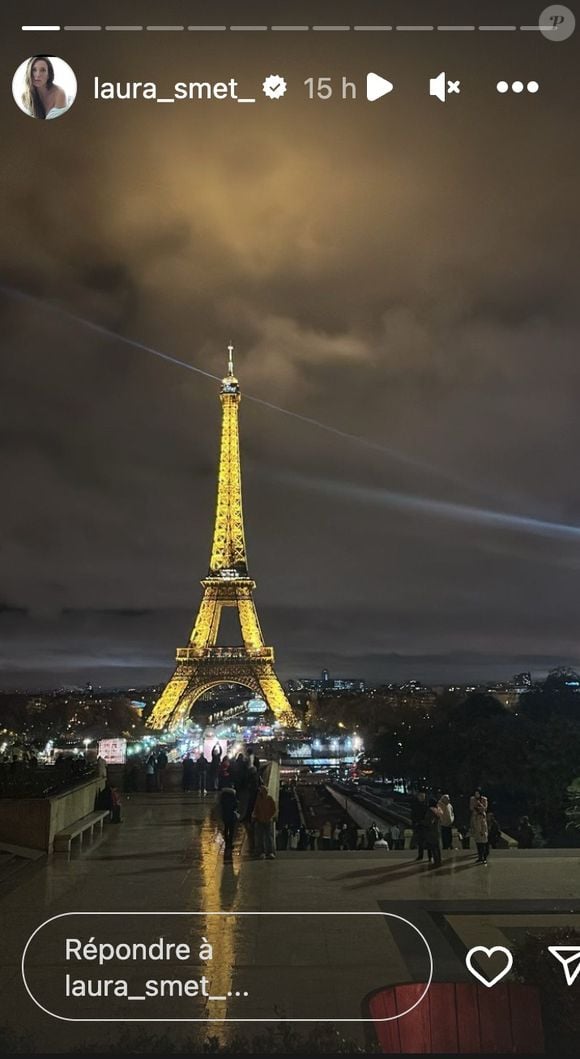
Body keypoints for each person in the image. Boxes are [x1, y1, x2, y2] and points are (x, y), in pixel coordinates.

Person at [252, 781, 277, 859]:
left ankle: (264, 852)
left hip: (264, 820)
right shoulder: (268, 799)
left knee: (263, 837)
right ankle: (268, 852)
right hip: (264, 820)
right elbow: (274, 809)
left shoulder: (263, 799)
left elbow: (256, 809)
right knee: (267, 837)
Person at [423, 799, 443, 868]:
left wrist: (424, 823)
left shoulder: (430, 811)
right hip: (437, 830)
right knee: (437, 847)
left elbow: (428, 822)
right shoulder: (438, 810)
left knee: (433, 847)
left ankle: (436, 862)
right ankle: (439, 861)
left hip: (431, 831)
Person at [219, 784, 238, 851]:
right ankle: (230, 842)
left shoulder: (223, 796)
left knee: (226, 828)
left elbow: (220, 805)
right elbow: (236, 805)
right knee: (232, 830)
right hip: (231, 815)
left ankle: (227, 842)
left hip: (225, 815)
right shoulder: (233, 795)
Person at [471, 797, 489, 864]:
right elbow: (474, 824)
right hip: (477, 833)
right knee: (479, 846)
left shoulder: (482, 815)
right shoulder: (475, 815)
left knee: (483, 846)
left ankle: (484, 858)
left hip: (482, 833)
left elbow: (483, 825)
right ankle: (480, 857)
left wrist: (482, 832)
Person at [411, 791, 427, 860]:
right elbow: (413, 815)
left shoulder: (425, 805)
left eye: (423, 796)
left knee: (426, 841)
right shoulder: (417, 805)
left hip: (424, 825)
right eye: (421, 796)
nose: (422, 798)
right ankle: (421, 855)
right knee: (420, 841)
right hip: (420, 825)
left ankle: (428, 855)